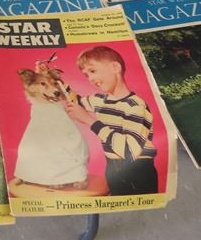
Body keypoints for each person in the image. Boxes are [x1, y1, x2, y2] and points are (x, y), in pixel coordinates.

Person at [64, 46, 158, 195]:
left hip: (138, 172)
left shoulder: (136, 106)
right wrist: (53, 78)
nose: (91, 79)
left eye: (92, 71)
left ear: (115, 67)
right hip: (112, 169)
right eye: (86, 75)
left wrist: (90, 121)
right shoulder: (100, 100)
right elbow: (75, 101)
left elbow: (129, 150)